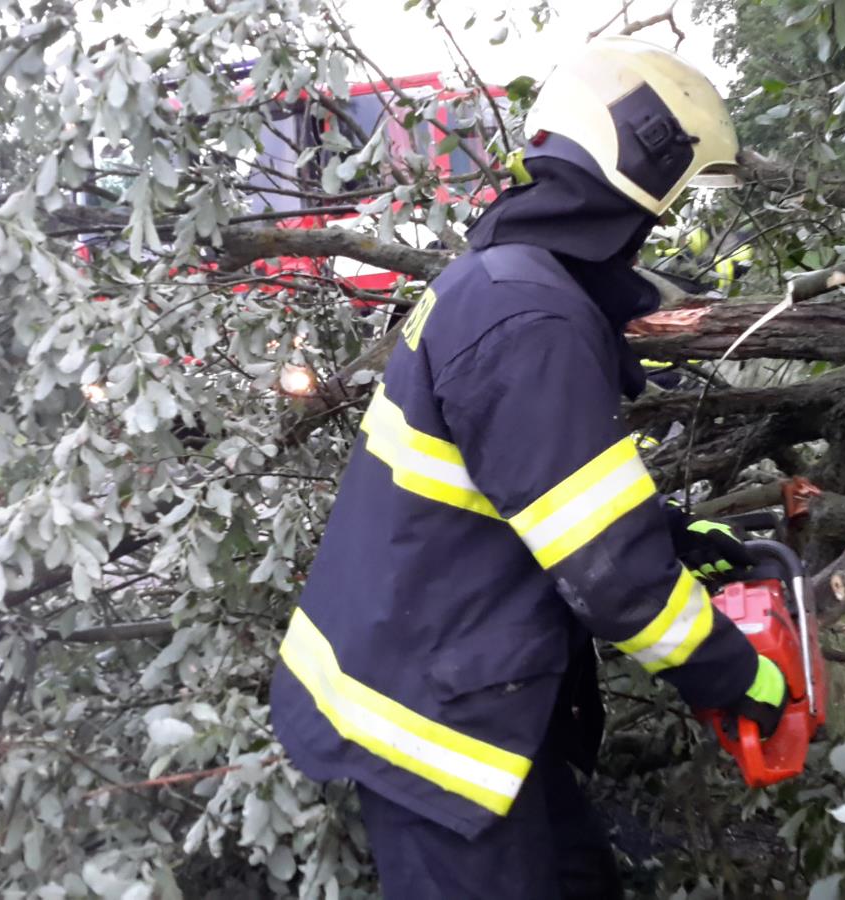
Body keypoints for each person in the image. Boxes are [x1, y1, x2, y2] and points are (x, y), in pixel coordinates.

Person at [269, 36, 787, 898]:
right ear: (639, 173)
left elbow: (530, 488)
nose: (659, 227)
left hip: (461, 693)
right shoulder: (528, 311)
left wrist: (672, 534)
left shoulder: (507, 282)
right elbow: (611, 577)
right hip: (437, 731)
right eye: (670, 199)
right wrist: (738, 677)